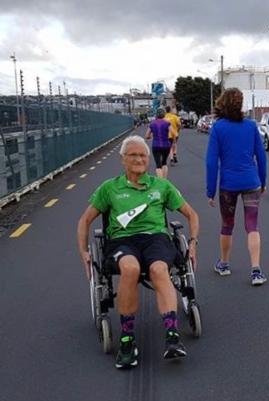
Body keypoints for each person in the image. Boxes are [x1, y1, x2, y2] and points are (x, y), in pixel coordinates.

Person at [77, 136, 200, 369]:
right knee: (130, 268)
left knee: (159, 268)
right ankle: (127, 339)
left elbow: (192, 214)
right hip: (123, 241)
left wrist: (193, 242)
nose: (139, 159)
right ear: (122, 159)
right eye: (133, 155)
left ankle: (172, 335)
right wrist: (84, 252)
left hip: (156, 238)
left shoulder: (161, 186)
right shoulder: (109, 188)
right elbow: (84, 220)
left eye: (143, 155)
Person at [205, 88, 268, 286]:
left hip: (228, 185)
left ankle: (224, 264)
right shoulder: (250, 126)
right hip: (251, 182)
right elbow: (261, 156)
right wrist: (263, 181)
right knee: (252, 225)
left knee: (227, 224)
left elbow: (211, 161)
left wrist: (210, 190)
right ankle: (256, 271)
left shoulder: (218, 128)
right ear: (241, 104)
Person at [145, 108, 172, 178]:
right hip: (166, 145)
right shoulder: (167, 123)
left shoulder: (152, 123)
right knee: (164, 162)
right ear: (164, 115)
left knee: (158, 164)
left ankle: (160, 181)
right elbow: (173, 133)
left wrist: (151, 135)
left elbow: (147, 136)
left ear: (156, 115)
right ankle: (165, 180)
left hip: (156, 145)